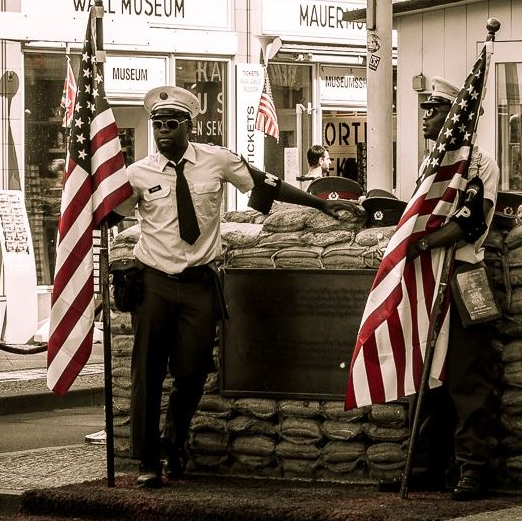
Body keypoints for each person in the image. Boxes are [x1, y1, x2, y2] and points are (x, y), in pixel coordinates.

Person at [121, 86, 361, 489]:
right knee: (146, 372)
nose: (162, 131)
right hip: (154, 281)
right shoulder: (138, 173)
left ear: (188, 125)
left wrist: (322, 205)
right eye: (157, 124)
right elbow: (112, 211)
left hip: (198, 283)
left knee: (194, 371)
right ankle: (148, 459)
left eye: (171, 123)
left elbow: (266, 185)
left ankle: (173, 440)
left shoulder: (216, 161)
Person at [386, 76, 501, 501]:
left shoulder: (479, 164)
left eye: (435, 110)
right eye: (425, 109)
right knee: (424, 374)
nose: (426, 117)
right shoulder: (430, 165)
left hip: (465, 274)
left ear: (458, 117)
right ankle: (426, 464)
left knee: (470, 375)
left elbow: (470, 220)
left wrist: (425, 242)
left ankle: (473, 468)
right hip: (427, 275)